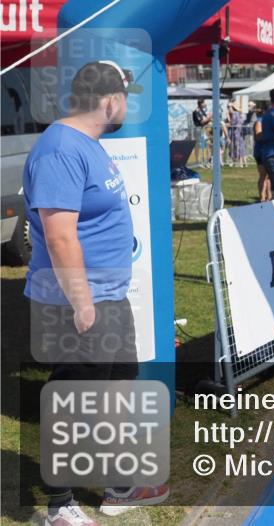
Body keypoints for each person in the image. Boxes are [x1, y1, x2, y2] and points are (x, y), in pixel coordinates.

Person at [23, 61, 168, 525]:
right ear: (110, 100)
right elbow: (60, 235)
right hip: (76, 299)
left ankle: (118, 484)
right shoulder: (61, 149)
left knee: (116, 386)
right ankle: (60, 504)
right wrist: (83, 302)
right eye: (125, 96)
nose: (127, 105)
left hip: (108, 293)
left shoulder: (88, 144)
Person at [192, 98, 210, 166]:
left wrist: (209, 118)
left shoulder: (202, 111)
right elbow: (201, 121)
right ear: (201, 103)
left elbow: (206, 119)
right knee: (198, 145)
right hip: (198, 129)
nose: (205, 104)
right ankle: (197, 160)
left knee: (207, 143)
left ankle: (207, 159)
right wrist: (209, 118)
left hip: (203, 129)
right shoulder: (196, 111)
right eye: (204, 103)